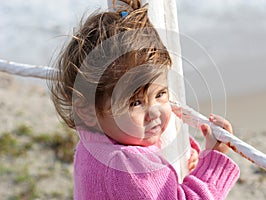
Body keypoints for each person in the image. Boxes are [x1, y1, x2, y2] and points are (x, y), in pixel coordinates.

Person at [49, 0, 240, 199]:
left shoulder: (92, 144)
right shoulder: (128, 167)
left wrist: (180, 152)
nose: (154, 112)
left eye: (160, 94)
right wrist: (213, 164)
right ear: (88, 111)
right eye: (136, 103)